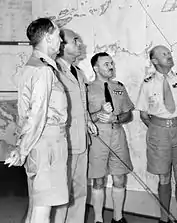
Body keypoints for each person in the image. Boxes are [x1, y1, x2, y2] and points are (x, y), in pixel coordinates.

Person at [4, 18, 68, 223]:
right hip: (47, 142)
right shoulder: (43, 70)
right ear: (49, 38)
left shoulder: (32, 66)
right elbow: (37, 113)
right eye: (58, 36)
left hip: (39, 141)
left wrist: (23, 146)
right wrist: (22, 149)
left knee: (38, 203)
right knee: (43, 208)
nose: (61, 42)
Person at [135, 45, 177, 223]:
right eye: (164, 54)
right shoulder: (148, 84)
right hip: (159, 134)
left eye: (169, 53)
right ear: (154, 61)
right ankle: (164, 217)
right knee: (164, 176)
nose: (169, 56)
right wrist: (159, 127)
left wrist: (176, 123)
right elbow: (143, 114)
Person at [51, 28, 98, 223]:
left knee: (79, 192)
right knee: (62, 195)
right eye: (75, 40)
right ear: (61, 46)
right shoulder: (53, 72)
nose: (80, 43)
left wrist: (88, 121)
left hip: (81, 142)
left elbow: (80, 104)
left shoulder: (78, 72)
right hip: (64, 143)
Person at [87, 52, 134, 223]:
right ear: (95, 67)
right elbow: (82, 118)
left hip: (117, 136)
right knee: (98, 180)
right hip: (98, 138)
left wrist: (116, 118)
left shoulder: (119, 87)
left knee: (119, 178)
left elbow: (128, 115)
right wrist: (99, 114)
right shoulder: (86, 88)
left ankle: (118, 217)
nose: (111, 66)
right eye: (106, 64)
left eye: (112, 63)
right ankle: (98, 219)